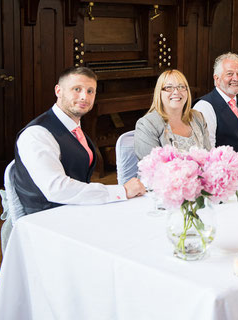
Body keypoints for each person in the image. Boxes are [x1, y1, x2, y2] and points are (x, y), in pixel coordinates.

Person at [12, 67, 145, 215]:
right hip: (46, 218)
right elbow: (57, 189)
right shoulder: (37, 134)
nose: (84, 97)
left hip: (76, 208)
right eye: (77, 89)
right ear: (58, 91)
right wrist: (122, 191)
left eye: (90, 91)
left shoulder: (73, 127)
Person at [193, 53, 238, 155]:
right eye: (229, 74)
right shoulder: (205, 106)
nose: (236, 78)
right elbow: (207, 151)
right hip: (219, 169)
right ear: (216, 79)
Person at [134, 69, 211, 159]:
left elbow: (209, 157)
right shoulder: (147, 124)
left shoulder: (198, 117)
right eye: (168, 87)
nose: (176, 92)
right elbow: (152, 167)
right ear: (159, 93)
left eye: (181, 87)